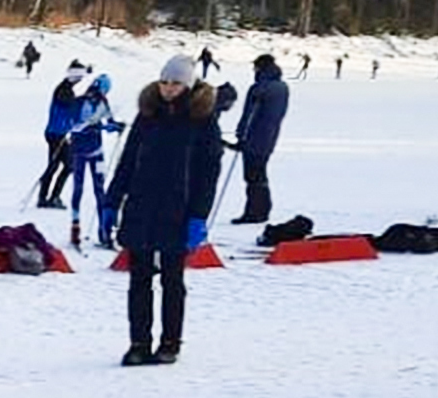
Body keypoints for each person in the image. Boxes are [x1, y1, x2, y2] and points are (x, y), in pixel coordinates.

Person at [103, 55, 223, 367]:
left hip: (178, 209)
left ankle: (170, 342)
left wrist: (199, 215)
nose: (169, 89)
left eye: (176, 83)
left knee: (172, 278)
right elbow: (128, 161)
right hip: (142, 205)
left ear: (189, 84)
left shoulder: (202, 120)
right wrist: (112, 200)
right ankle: (138, 343)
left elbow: (208, 173)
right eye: (165, 82)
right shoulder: (148, 114)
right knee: (139, 278)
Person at [229, 53, 291, 224]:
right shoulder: (282, 87)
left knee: (252, 176)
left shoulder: (260, 88)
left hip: (254, 138)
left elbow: (250, 115)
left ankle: (254, 212)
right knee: (260, 174)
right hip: (269, 137)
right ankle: (262, 210)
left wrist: (241, 135)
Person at [67, 73, 122, 249]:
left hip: (97, 152)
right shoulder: (79, 102)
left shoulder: (103, 103)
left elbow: (109, 122)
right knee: (78, 189)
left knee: (100, 191)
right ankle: (75, 229)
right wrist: (98, 126)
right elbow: (75, 126)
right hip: (79, 152)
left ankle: (104, 232)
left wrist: (115, 126)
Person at [37, 60, 87, 208]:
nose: (81, 80)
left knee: (56, 165)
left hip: (57, 133)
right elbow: (70, 106)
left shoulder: (66, 88)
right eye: (79, 76)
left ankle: (46, 197)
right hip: (56, 133)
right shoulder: (64, 90)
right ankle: (51, 197)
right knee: (66, 165)